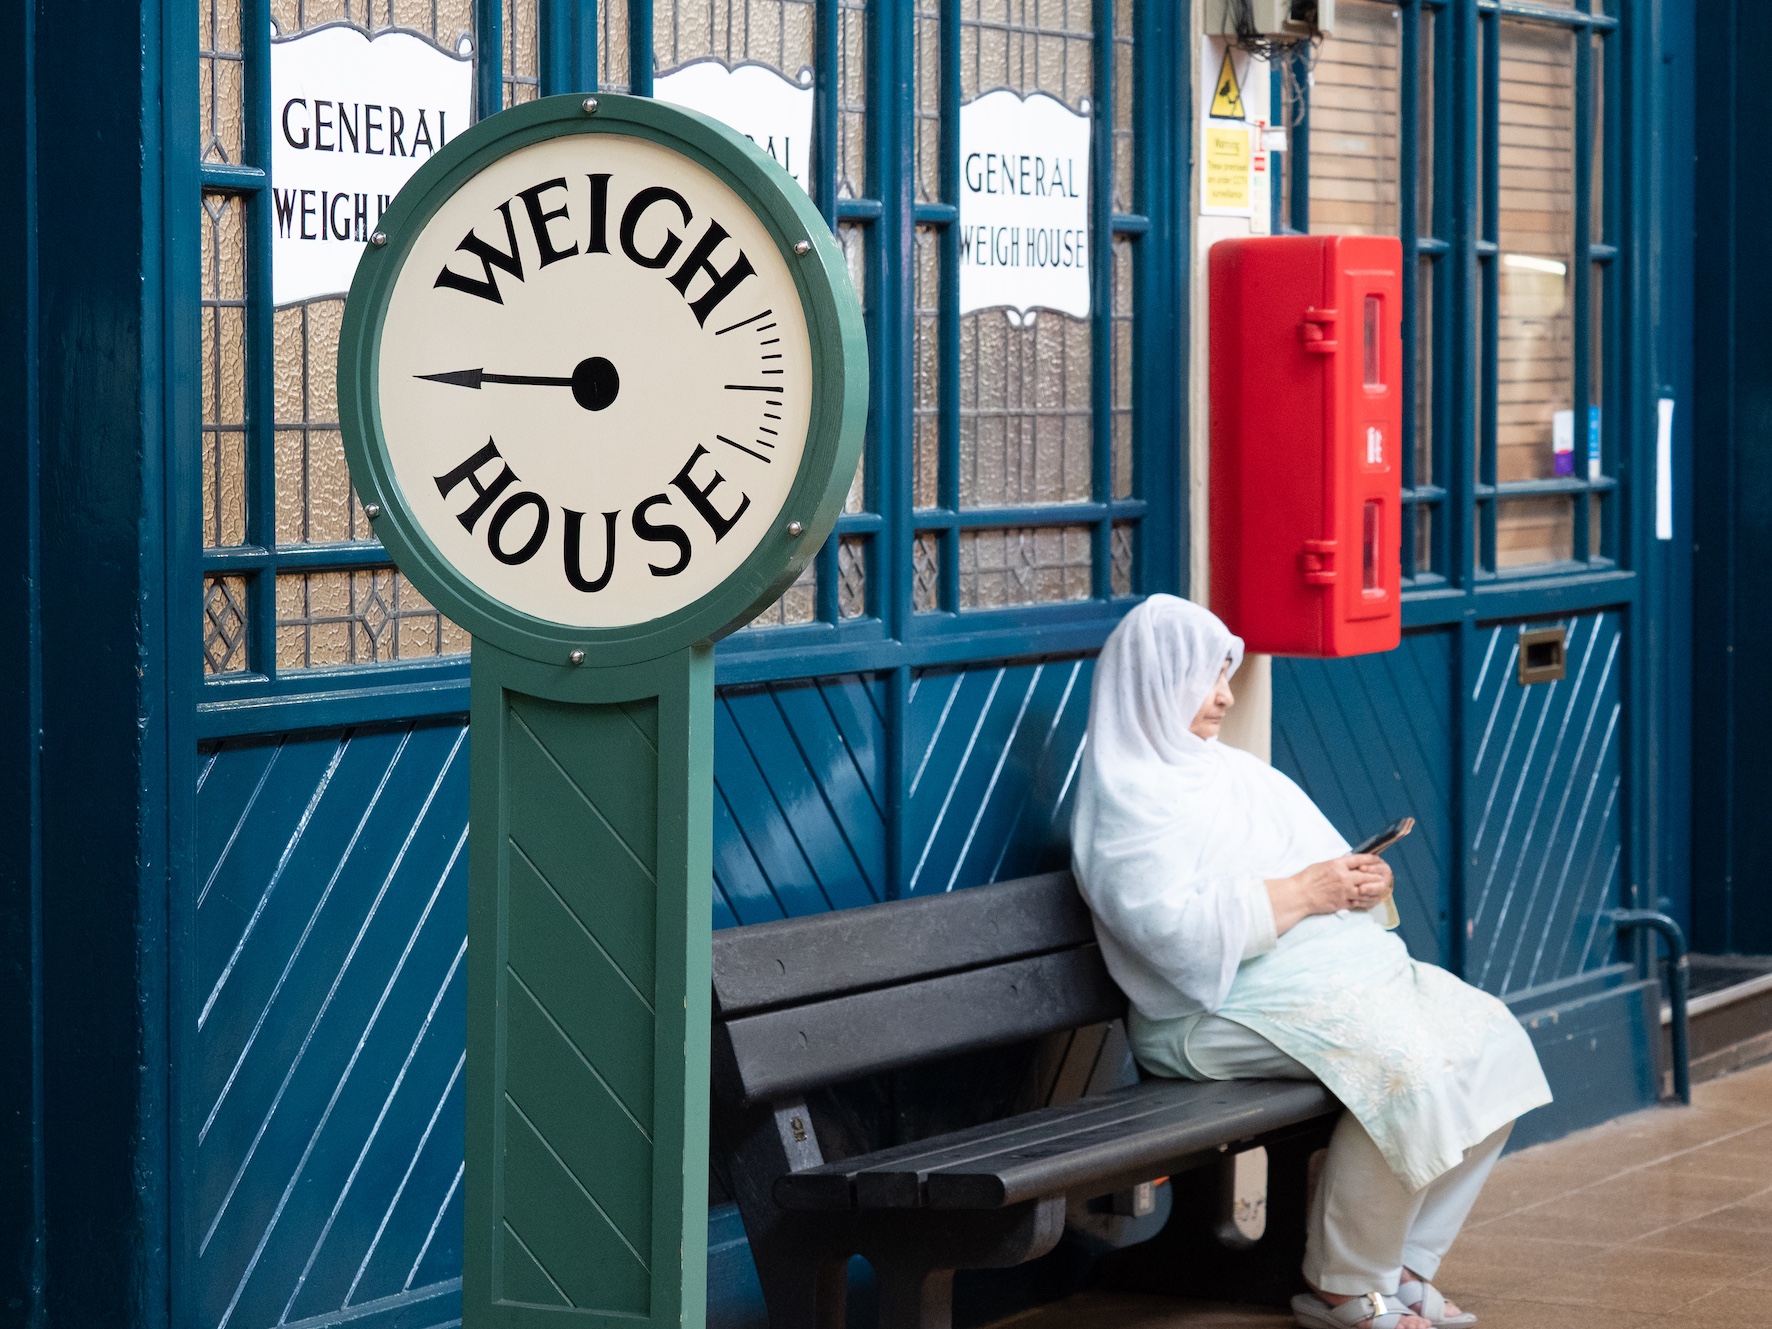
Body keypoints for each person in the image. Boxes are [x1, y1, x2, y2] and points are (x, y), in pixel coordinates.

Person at [1070, 596, 1551, 1329]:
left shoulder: (1234, 772)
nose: (1227, 695)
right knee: (1402, 1067)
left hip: (1311, 984)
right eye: (1209, 677)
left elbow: (1325, 867)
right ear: (1156, 679)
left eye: (1227, 675)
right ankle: (1342, 1286)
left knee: (1491, 1040)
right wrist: (1302, 892)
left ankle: (1409, 1264)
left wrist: (1360, 885)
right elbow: (1168, 933)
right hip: (1204, 1011)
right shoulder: (1127, 797)